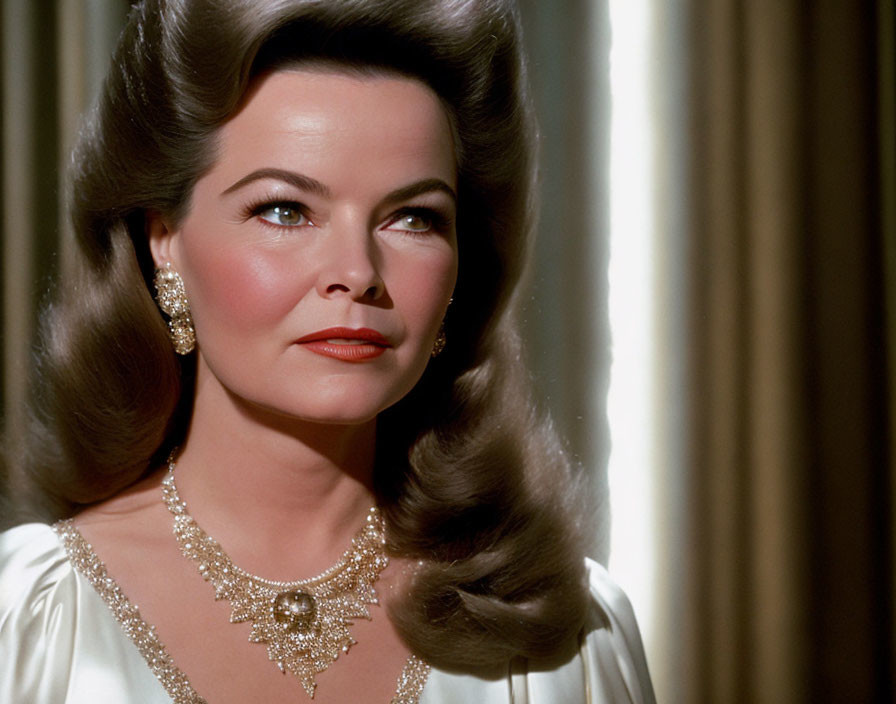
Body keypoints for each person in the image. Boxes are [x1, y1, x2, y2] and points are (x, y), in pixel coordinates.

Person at [0, 1, 655, 702]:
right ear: (164, 239)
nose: (359, 270)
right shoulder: (31, 620)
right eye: (285, 209)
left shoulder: (563, 632)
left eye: (414, 218)